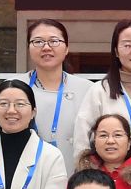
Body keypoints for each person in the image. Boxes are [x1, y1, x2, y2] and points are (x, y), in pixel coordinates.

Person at [68, 20, 131, 161]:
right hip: (111, 170)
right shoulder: (99, 90)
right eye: (127, 45)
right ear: (116, 51)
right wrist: (86, 169)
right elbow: (82, 137)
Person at [21, 18, 93, 149]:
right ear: (28, 48)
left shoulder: (87, 89)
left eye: (54, 41)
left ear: (66, 48)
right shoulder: (14, 87)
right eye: (38, 42)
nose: (46, 47)